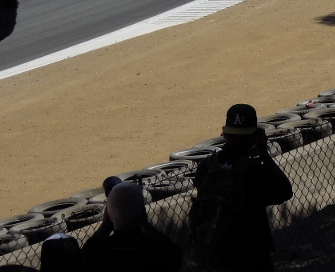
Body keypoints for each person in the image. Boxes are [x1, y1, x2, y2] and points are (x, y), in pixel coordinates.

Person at [187, 103, 293, 272]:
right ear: (253, 137)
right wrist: (264, 154)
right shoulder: (254, 170)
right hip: (251, 255)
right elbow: (285, 191)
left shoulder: (206, 166)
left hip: (214, 253)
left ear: (225, 133)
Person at [82, 181, 182, 271]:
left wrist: (105, 226)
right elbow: (174, 252)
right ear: (143, 214)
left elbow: (89, 249)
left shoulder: (96, 253)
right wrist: (146, 224)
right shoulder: (160, 250)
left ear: (108, 216)